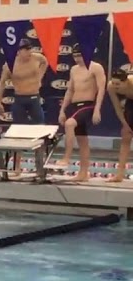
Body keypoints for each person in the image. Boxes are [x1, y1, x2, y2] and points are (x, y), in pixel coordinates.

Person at [59, 48, 106, 183]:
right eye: (75, 55)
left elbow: (101, 89)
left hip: (88, 104)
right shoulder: (74, 69)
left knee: (69, 124)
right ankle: (83, 173)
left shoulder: (96, 67)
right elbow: (69, 90)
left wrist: (97, 109)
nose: (77, 58)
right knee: (82, 141)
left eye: (80, 55)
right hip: (75, 105)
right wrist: (62, 110)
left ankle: (66, 157)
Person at [0, 45, 47, 124]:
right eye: (27, 50)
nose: (30, 52)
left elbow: (45, 62)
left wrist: (40, 76)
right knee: (19, 126)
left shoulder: (37, 57)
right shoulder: (9, 65)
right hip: (19, 98)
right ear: (19, 51)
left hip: (34, 96)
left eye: (30, 49)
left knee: (40, 124)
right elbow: (2, 83)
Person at [107, 68, 133, 183]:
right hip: (131, 103)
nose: (115, 86)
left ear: (126, 82)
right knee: (125, 136)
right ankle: (119, 175)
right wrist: (125, 124)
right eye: (114, 83)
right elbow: (117, 107)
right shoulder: (110, 86)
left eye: (118, 84)